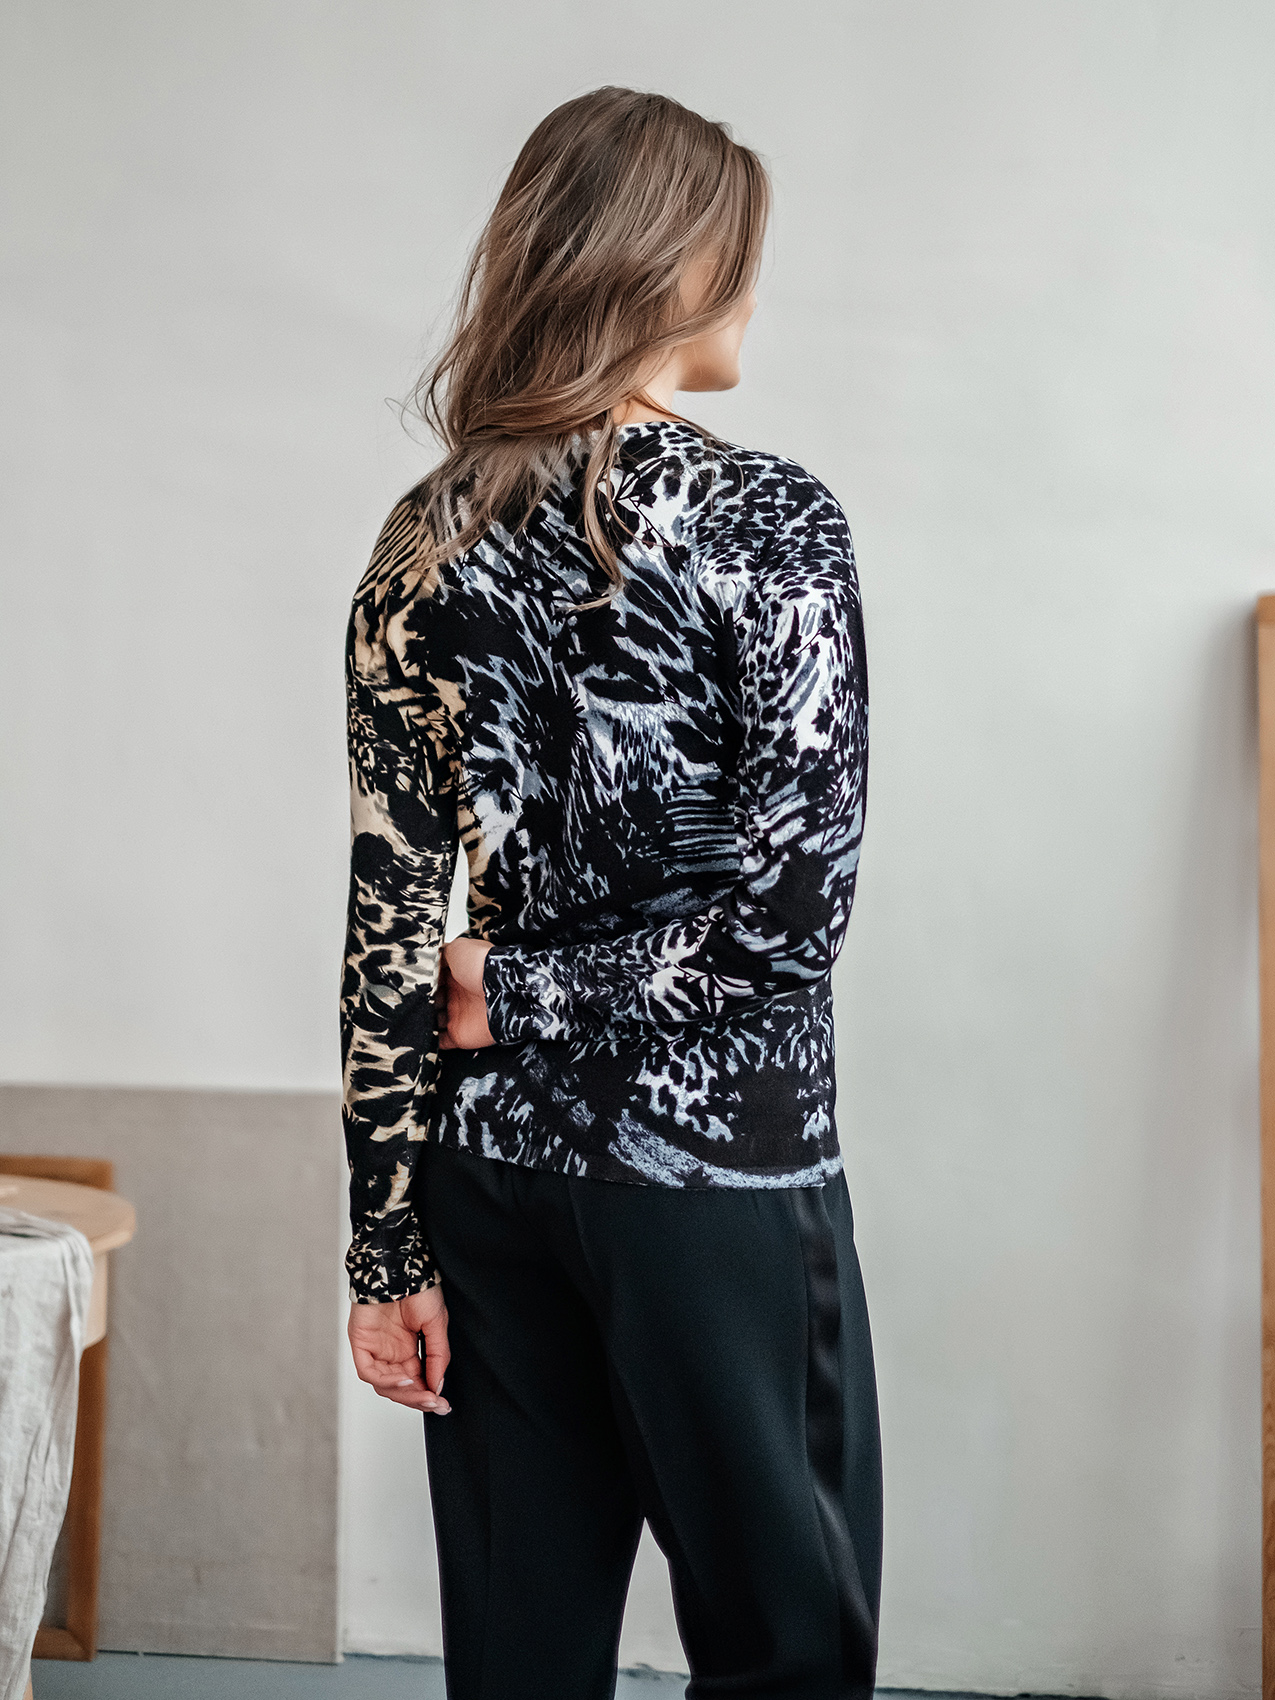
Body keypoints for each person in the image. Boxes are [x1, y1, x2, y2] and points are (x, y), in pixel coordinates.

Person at [342, 86, 881, 1700]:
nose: (753, 291)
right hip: (712, 1175)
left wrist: (385, 1246)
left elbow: (390, 924)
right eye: (740, 253)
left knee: (520, 1659)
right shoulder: (770, 521)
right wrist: (531, 996)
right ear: (669, 265)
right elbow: (791, 922)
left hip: (491, 1176)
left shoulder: (422, 539)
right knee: (786, 1652)